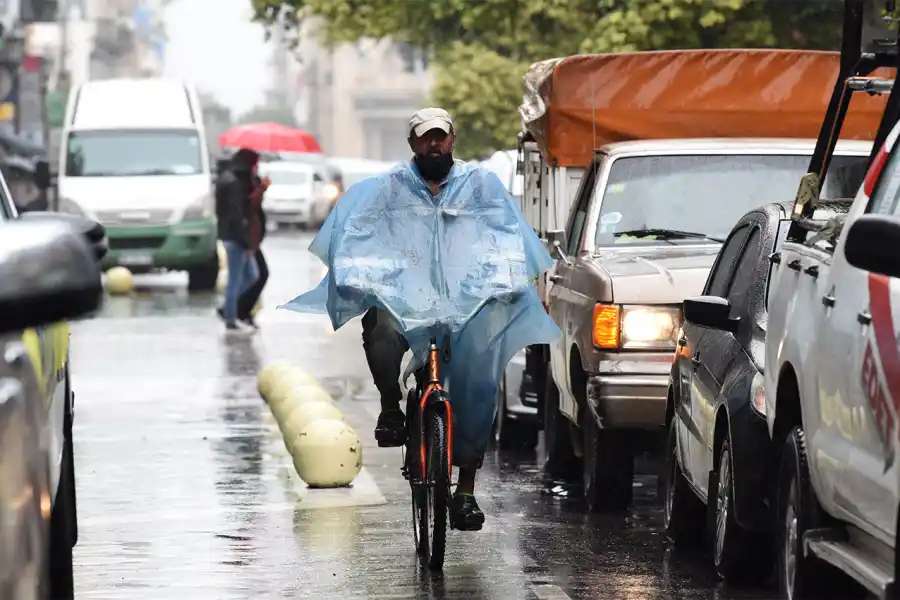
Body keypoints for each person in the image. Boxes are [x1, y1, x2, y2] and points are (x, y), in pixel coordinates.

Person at [364, 108, 486, 530]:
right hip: (404, 298)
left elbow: (504, 234)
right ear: (413, 143)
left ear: (453, 139)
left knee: (480, 377)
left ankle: (466, 491)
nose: (434, 144)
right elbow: (362, 234)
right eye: (425, 138)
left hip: (462, 300)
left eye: (441, 136)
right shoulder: (390, 189)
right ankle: (389, 407)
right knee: (379, 327)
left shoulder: (478, 185)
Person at [215, 148, 260, 331]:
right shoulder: (234, 183)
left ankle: (227, 308)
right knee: (236, 279)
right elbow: (237, 215)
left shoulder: (228, 178)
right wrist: (246, 242)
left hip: (231, 236)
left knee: (251, 275)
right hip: (236, 239)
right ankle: (230, 318)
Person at [236, 166, 269, 328]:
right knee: (257, 275)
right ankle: (237, 310)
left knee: (254, 276)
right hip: (247, 238)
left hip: (253, 239)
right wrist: (262, 188)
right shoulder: (241, 181)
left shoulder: (252, 180)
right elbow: (249, 204)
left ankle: (241, 311)